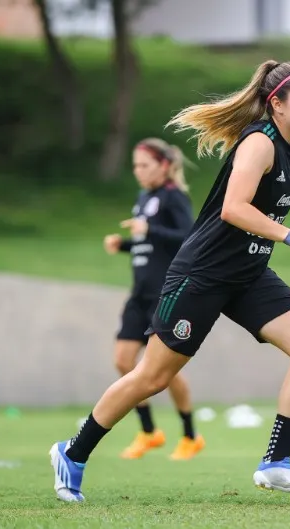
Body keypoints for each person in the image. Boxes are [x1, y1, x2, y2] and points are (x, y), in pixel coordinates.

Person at [50, 60, 290, 503]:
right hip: (202, 273)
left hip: (249, 273)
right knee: (151, 377)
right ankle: (73, 452)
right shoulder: (260, 143)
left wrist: (280, 240)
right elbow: (234, 209)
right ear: (276, 103)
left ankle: (276, 463)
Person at [102, 137, 204, 461]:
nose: (138, 171)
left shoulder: (174, 198)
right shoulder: (144, 197)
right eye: (135, 166)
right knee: (123, 360)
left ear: (163, 166)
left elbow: (188, 238)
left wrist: (148, 231)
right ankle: (149, 432)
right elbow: (148, 243)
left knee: (165, 372)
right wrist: (126, 245)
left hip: (165, 295)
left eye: (144, 165)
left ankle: (190, 435)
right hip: (139, 295)